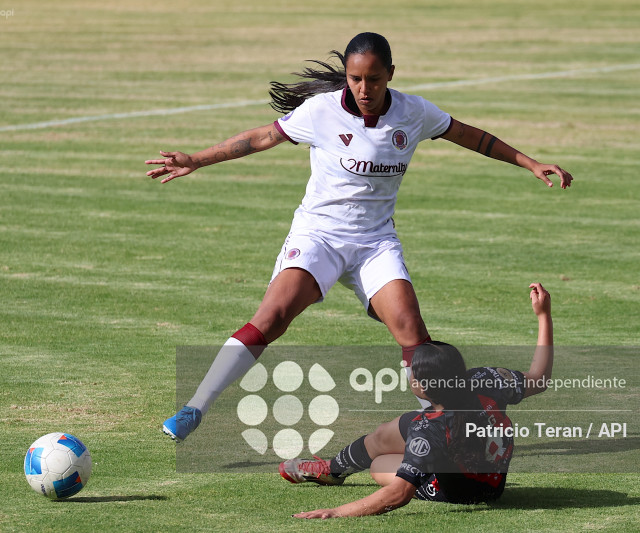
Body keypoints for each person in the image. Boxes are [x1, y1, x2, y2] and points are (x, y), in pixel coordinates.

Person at [145, 32, 572, 442]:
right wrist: (197, 159)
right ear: (347, 76)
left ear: (390, 74)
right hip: (319, 236)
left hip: (375, 243)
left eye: (373, 78)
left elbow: (470, 136)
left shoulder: (414, 112)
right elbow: (261, 137)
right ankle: (196, 407)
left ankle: (440, 431)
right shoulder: (320, 111)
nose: (364, 88)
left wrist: (530, 163)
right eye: (355, 78)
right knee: (272, 316)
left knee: (413, 333)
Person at [281, 283, 553, 518]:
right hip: (487, 473)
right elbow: (539, 378)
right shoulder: (486, 379)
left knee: (379, 466)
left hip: (467, 491)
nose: (408, 370)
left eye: (414, 371)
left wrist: (335, 512)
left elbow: (399, 494)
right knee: (388, 431)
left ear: (426, 387)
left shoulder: (430, 428)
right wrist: (543, 316)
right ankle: (332, 470)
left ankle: (412, 473)